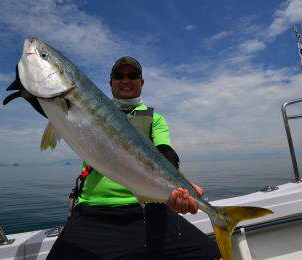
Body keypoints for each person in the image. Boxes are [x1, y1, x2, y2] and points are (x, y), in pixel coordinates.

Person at [47, 56, 220, 259]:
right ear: (110, 82)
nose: (126, 80)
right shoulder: (89, 109)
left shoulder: (153, 118)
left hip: (150, 211)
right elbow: (61, 109)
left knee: (210, 254)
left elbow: (165, 151)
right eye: (119, 76)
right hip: (95, 213)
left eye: (133, 75)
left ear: (142, 82)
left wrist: (180, 186)